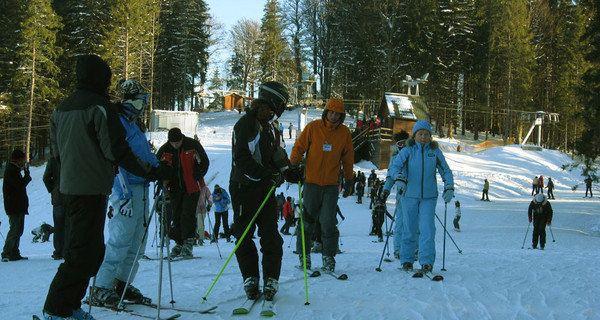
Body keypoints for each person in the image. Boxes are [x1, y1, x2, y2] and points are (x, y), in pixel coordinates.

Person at [43, 54, 171, 320]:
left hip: (78, 187)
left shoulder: (63, 108)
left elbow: (55, 155)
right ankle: (57, 309)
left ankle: (71, 305)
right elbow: (118, 152)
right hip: (95, 188)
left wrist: (55, 182)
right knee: (84, 252)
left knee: (90, 251)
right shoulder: (100, 108)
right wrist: (154, 171)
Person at [89, 79, 159, 308]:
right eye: (142, 100)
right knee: (120, 239)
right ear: (132, 100)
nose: (144, 105)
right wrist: (123, 194)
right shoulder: (118, 122)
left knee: (138, 241)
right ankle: (101, 286)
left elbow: (144, 155)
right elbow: (116, 160)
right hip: (126, 190)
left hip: (142, 188)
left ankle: (121, 282)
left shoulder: (135, 124)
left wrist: (159, 167)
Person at [229, 81, 298, 302]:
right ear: (274, 101)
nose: (282, 109)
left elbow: (278, 154)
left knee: (270, 235)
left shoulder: (271, 126)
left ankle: (270, 278)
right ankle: (250, 277)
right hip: (244, 187)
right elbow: (241, 160)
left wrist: (290, 172)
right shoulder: (247, 124)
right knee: (244, 234)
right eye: (282, 104)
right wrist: (267, 175)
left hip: (265, 189)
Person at [291, 97, 354, 273]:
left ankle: (329, 257)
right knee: (307, 221)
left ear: (342, 115)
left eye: (338, 114)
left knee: (328, 222)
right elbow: (299, 146)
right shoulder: (313, 127)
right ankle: (304, 255)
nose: (334, 116)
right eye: (331, 112)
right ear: (326, 112)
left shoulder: (344, 133)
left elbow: (348, 159)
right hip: (311, 183)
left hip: (331, 185)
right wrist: (293, 165)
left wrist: (349, 180)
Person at [383, 120, 454, 274]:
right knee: (409, 228)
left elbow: (446, 171)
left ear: (430, 136)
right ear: (415, 135)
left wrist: (449, 186)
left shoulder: (435, 152)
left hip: (429, 197)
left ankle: (426, 261)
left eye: (426, 134)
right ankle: (407, 259)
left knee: (428, 229)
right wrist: (399, 178)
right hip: (409, 195)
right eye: (420, 134)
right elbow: (395, 167)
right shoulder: (407, 150)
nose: (423, 137)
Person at [157, 127, 210, 258]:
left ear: (182, 139)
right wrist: (160, 179)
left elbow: (205, 161)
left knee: (188, 213)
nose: (175, 145)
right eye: (173, 143)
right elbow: (157, 166)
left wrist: (200, 172)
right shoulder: (164, 150)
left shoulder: (192, 145)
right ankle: (180, 242)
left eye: (178, 142)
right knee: (176, 214)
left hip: (192, 186)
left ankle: (189, 242)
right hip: (174, 187)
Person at [2, 149, 31, 262]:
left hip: (16, 205)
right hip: (14, 206)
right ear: (18, 160)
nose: (23, 162)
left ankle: (14, 252)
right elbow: (19, 186)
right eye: (22, 160)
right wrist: (27, 177)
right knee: (15, 230)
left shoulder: (13, 170)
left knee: (18, 230)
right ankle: (7, 252)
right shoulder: (12, 170)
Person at [43, 156, 69, 260]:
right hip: (70, 196)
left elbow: (46, 178)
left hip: (57, 197)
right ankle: (66, 251)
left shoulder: (53, 160)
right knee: (68, 225)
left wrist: (53, 189)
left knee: (58, 225)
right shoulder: (70, 155)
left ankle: (58, 251)